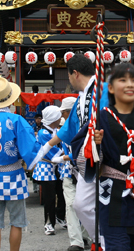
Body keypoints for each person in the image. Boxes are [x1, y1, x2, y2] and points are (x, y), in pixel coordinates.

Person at [72, 63, 134, 251]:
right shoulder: (100, 118)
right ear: (110, 88)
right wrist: (94, 145)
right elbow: (82, 155)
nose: (130, 85)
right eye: (123, 80)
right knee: (116, 247)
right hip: (111, 199)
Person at [0, 77, 51, 251]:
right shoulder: (17, 120)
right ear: (10, 98)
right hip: (13, 175)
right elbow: (30, 150)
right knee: (17, 222)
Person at [45, 54, 109, 246]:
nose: (69, 79)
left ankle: (108, 242)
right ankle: (102, 240)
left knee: (108, 205)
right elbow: (68, 129)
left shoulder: (105, 90)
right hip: (87, 159)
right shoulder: (81, 98)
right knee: (80, 205)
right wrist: (47, 146)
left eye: (69, 75)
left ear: (75, 73)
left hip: (109, 157)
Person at [57, 96, 91, 251]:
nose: (63, 115)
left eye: (64, 112)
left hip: (83, 170)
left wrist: (64, 157)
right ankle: (76, 242)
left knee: (84, 205)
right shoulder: (65, 128)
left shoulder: (83, 126)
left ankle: (84, 236)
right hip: (72, 171)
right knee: (72, 205)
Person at [32, 106, 66, 236]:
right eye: (58, 117)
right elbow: (53, 154)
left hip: (58, 166)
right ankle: (49, 223)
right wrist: (67, 153)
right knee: (49, 198)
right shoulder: (43, 133)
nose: (60, 118)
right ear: (53, 119)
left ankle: (60, 217)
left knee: (62, 194)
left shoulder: (56, 130)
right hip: (46, 167)